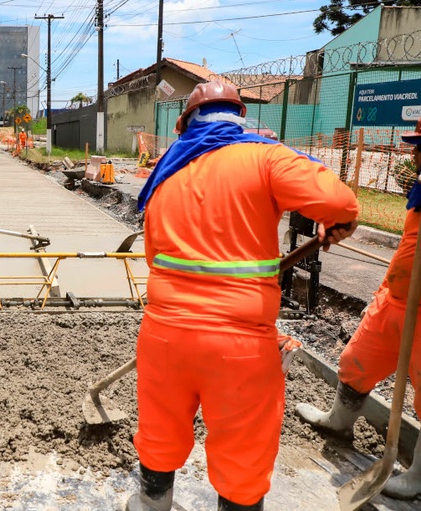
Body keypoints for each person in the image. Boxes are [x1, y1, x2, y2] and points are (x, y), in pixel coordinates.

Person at [128, 80, 359, 511]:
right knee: (243, 449)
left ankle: (150, 504)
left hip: (164, 334)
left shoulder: (166, 169)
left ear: (185, 124)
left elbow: (154, 253)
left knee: (160, 427)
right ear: (240, 118)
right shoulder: (265, 156)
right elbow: (339, 202)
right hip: (240, 341)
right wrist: (338, 220)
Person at [295, 118, 421, 500]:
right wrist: (385, 291)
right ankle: (338, 422)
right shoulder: (419, 191)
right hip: (396, 301)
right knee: (355, 362)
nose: (415, 154)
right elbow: (408, 248)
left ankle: (417, 475)